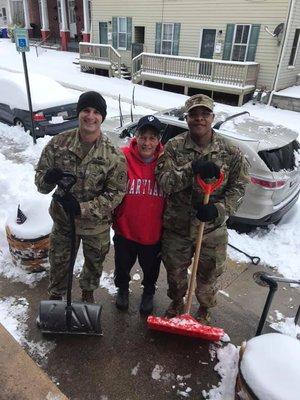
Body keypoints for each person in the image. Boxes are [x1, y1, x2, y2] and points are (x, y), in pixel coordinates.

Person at [155, 94, 249, 323]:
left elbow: (239, 187)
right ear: (187, 119)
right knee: (175, 277)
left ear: (212, 117)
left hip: (211, 230)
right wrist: (192, 169)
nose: (199, 119)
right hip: (177, 227)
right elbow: (164, 182)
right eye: (194, 115)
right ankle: (177, 304)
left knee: (208, 278)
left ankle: (204, 311)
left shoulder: (230, 152)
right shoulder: (174, 147)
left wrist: (219, 209)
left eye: (204, 114)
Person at [35, 91, 127, 303]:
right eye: (86, 110)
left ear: (102, 117)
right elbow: (41, 186)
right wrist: (48, 178)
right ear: (78, 113)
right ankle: (56, 297)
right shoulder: (58, 144)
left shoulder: (113, 154)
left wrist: (81, 208)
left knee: (94, 264)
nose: (90, 116)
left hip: (96, 225)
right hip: (64, 222)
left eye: (96, 112)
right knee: (59, 263)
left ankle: (87, 295)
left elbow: (116, 193)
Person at [113, 115, 165, 315]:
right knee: (122, 266)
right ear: (136, 136)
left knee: (151, 269)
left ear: (159, 140)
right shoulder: (122, 156)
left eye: (153, 138)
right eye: (143, 136)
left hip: (153, 233)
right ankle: (123, 289)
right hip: (125, 229)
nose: (147, 142)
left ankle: (148, 292)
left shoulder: (166, 162)